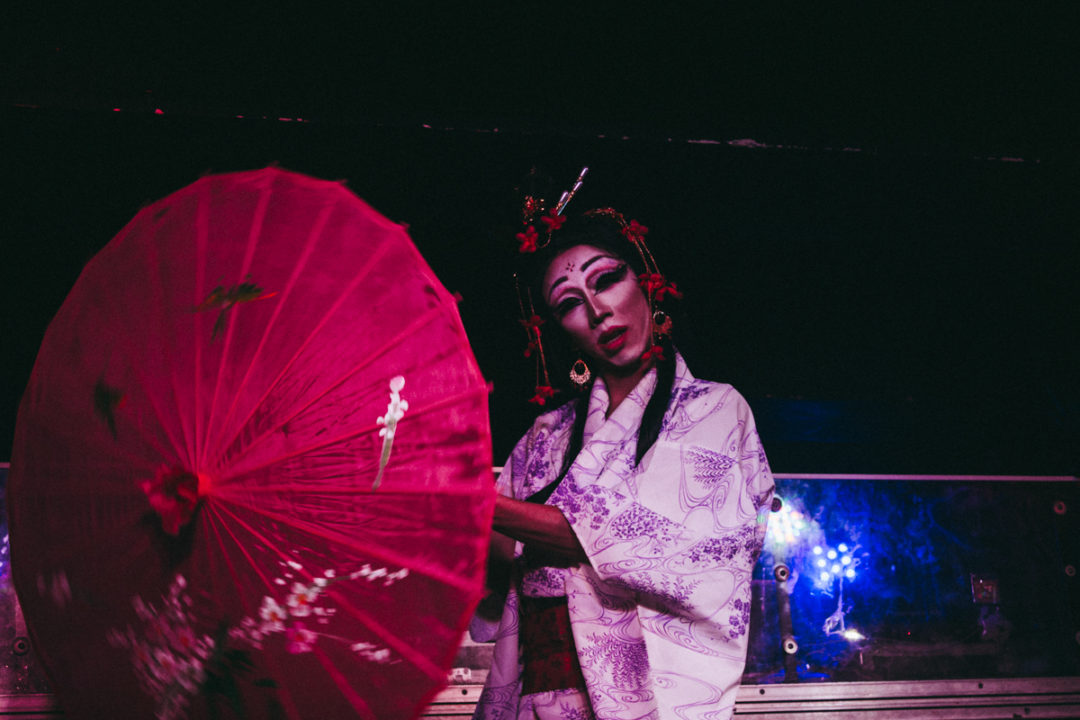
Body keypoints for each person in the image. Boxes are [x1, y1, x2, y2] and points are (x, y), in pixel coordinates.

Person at [471, 181, 774, 720]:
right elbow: (494, 567)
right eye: (569, 303)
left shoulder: (713, 409)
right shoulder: (544, 435)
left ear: (646, 279)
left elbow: (625, 538)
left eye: (607, 280)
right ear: (559, 329)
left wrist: (472, 503)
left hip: (638, 696)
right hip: (537, 698)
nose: (597, 310)